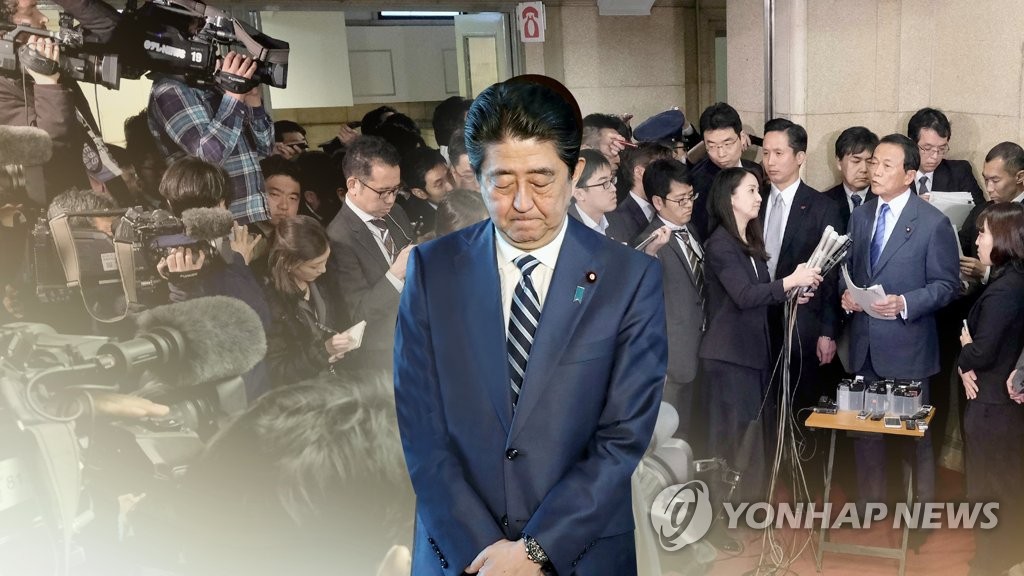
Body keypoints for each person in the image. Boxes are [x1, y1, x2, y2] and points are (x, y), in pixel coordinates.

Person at [394, 75, 667, 576]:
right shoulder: (434, 272)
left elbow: (622, 436)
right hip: (461, 554)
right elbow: (421, 431)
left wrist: (535, 551)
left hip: (581, 551)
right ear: (474, 175)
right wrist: (484, 553)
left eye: (541, 181)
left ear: (574, 172)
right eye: (501, 182)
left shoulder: (629, 279)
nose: (522, 203)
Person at [840, 134, 959, 508]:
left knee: (912, 436)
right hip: (864, 346)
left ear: (909, 175)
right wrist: (846, 295)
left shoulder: (932, 223)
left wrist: (905, 302)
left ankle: (919, 513)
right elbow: (849, 269)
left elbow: (947, 285)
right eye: (873, 162)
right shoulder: (861, 215)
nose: (874, 170)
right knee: (865, 433)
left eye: (885, 165)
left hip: (908, 348)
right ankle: (870, 506)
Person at [699, 166, 821, 501]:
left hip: (752, 352)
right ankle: (729, 509)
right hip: (730, 355)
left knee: (753, 434)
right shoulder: (720, 244)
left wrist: (791, 293)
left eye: (758, 190)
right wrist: (790, 281)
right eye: (751, 191)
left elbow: (761, 293)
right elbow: (743, 295)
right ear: (730, 198)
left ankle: (750, 503)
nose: (758, 198)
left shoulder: (748, 240)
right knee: (735, 437)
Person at [956, 202, 1024, 576]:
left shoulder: (1005, 290)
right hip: (998, 404)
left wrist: (965, 350)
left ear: (1004, 239)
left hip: (993, 406)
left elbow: (981, 352)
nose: (978, 240)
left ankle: (991, 562)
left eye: (983, 233)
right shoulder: (1009, 281)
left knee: (990, 491)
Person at [760, 118, 843, 415]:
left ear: (800, 157)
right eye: (765, 153)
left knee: (799, 404)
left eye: (778, 153)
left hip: (802, 323)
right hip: (758, 317)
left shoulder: (823, 207)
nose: (770, 161)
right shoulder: (753, 200)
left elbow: (831, 275)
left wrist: (828, 332)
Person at [149, 40, 275, 225]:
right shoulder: (169, 89)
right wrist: (234, 95)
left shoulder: (216, 85)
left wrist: (254, 101)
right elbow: (207, 158)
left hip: (254, 212)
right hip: (215, 222)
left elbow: (266, 148)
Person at [325, 136, 415, 371]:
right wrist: (395, 274)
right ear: (353, 185)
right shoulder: (338, 237)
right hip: (382, 354)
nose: (391, 200)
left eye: (396, 190)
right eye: (383, 192)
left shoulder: (396, 212)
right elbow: (357, 313)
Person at [640, 158, 705, 442]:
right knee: (669, 437)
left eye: (691, 196)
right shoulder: (649, 242)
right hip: (671, 361)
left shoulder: (691, 230)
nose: (688, 205)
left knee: (693, 434)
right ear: (658, 201)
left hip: (698, 348)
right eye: (680, 200)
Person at [262, 216, 354, 387]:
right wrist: (323, 352)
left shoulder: (322, 280)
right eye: (314, 266)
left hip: (336, 380)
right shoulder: (270, 304)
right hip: (304, 393)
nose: (323, 269)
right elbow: (279, 372)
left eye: (326, 260)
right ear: (288, 264)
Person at [689, 102, 767, 238]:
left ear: (742, 137)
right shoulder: (698, 181)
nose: (721, 154)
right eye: (712, 146)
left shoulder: (755, 171)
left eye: (727, 144)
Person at [906, 107, 985, 205]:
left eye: (942, 148)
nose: (935, 156)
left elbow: (981, 210)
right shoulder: (896, 174)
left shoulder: (959, 173)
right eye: (927, 148)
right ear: (911, 144)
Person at [824, 127, 879, 234]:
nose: (864, 169)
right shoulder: (824, 202)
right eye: (856, 161)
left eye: (870, 162)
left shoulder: (884, 199)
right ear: (839, 162)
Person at [567, 149, 631, 241]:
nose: (613, 189)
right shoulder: (566, 233)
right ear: (579, 194)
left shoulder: (618, 220)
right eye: (604, 183)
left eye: (611, 180)